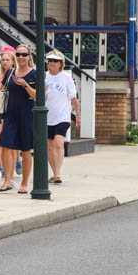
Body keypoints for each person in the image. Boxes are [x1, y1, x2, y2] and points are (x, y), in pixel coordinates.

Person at [0, 44, 37, 194]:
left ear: (29, 57)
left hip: (26, 114)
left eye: (24, 55)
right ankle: (8, 180)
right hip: (10, 114)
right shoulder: (10, 72)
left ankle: (25, 183)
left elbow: (38, 96)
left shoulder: (34, 74)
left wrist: (25, 85)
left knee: (25, 150)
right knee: (6, 146)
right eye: (18, 54)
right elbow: (2, 90)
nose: (21, 57)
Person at [44, 50, 79, 184]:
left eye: (54, 61)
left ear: (60, 63)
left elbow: (73, 98)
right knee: (50, 145)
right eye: (50, 61)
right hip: (47, 116)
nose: (51, 63)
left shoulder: (66, 77)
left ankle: (58, 173)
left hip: (62, 116)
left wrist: (78, 115)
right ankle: (54, 173)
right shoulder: (44, 77)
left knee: (58, 142)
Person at [0, 45, 15, 186]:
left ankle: (10, 175)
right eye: (3, 60)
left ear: (12, 61)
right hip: (0, 111)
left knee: (11, 145)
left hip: (12, 112)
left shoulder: (16, 75)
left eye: (7, 59)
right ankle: (0, 167)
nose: (4, 62)